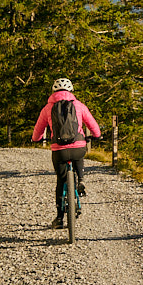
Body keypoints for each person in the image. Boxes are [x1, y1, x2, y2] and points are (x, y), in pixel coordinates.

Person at [31, 78, 101, 228]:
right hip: (78, 146)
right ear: (71, 91)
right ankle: (81, 179)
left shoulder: (47, 108)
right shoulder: (79, 106)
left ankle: (59, 218)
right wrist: (97, 135)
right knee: (78, 155)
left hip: (59, 150)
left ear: (53, 91)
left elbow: (38, 128)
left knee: (60, 181)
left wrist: (35, 139)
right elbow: (92, 124)